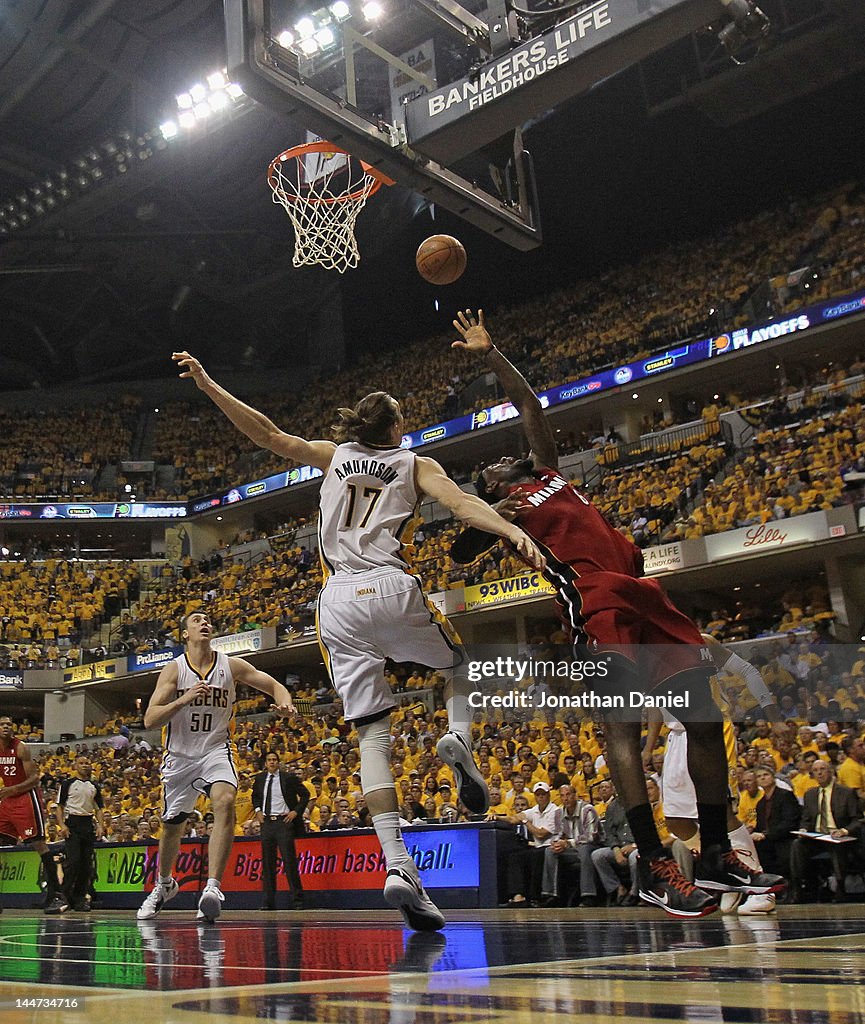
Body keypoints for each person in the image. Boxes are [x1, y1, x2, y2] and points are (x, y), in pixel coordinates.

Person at [172, 350, 544, 932]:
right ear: (395, 428)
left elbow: (267, 434)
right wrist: (511, 528)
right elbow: (463, 505)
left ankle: (396, 865)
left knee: (373, 733)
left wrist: (208, 383)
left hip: (338, 603)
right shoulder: (414, 464)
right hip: (390, 586)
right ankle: (457, 736)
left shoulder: (335, 456)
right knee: (458, 668)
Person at [449, 309, 784, 918]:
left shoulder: (548, 473)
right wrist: (477, 508)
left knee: (705, 720)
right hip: (593, 601)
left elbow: (530, 407)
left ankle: (716, 853)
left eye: (495, 465)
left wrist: (491, 354)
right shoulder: (504, 512)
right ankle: (655, 864)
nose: (493, 464)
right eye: (485, 472)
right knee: (621, 727)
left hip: (641, 591)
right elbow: (462, 542)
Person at [136, 611, 296, 923]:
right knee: (172, 825)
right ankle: (164, 884)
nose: (204, 623)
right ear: (186, 634)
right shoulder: (174, 670)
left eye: (207, 620)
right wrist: (183, 700)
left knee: (224, 801)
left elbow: (273, 684)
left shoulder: (230, 664)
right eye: (196, 620)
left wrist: (286, 702)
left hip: (215, 749)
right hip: (179, 758)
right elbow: (150, 719)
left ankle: (212, 888)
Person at [644, 635, 785, 915]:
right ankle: (726, 874)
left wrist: (774, 715)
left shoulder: (700, 641)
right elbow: (654, 704)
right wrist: (649, 746)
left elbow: (748, 671)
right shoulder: (646, 651)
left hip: (711, 730)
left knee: (720, 810)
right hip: (676, 737)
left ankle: (759, 887)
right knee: (676, 820)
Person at [0, 715, 65, 913]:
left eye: (9, 724)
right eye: (2, 724)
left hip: (26, 798)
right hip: (8, 800)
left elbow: (35, 779)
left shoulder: (21, 747)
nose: (5, 727)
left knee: (39, 844)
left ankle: (56, 895)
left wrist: (13, 789)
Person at [790, 761, 862, 903]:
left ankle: (840, 888)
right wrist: (803, 829)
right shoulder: (810, 794)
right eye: (816, 770)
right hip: (816, 837)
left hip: (839, 837)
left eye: (823, 769)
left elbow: (858, 820)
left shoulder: (846, 793)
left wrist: (843, 831)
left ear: (830, 772)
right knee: (797, 844)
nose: (820, 773)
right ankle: (797, 888)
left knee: (836, 845)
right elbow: (806, 819)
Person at [252, 752, 309, 910]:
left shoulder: (288, 778)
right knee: (268, 864)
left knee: (289, 862)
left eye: (274, 760)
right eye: (269, 760)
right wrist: (258, 811)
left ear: (278, 762)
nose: (272, 762)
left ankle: (297, 901)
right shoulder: (260, 778)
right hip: (267, 823)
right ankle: (268, 902)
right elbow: (255, 796)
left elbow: (305, 795)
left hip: (283, 823)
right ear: (265, 763)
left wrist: (295, 811)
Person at [55, 756, 103, 912]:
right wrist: (62, 825)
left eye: (87, 763)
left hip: (87, 823)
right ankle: (64, 896)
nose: (84, 765)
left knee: (86, 865)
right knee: (73, 862)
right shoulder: (67, 784)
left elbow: (99, 808)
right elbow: (60, 806)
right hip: (72, 824)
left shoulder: (94, 786)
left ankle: (80, 898)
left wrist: (100, 825)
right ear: (75, 765)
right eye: (81, 763)